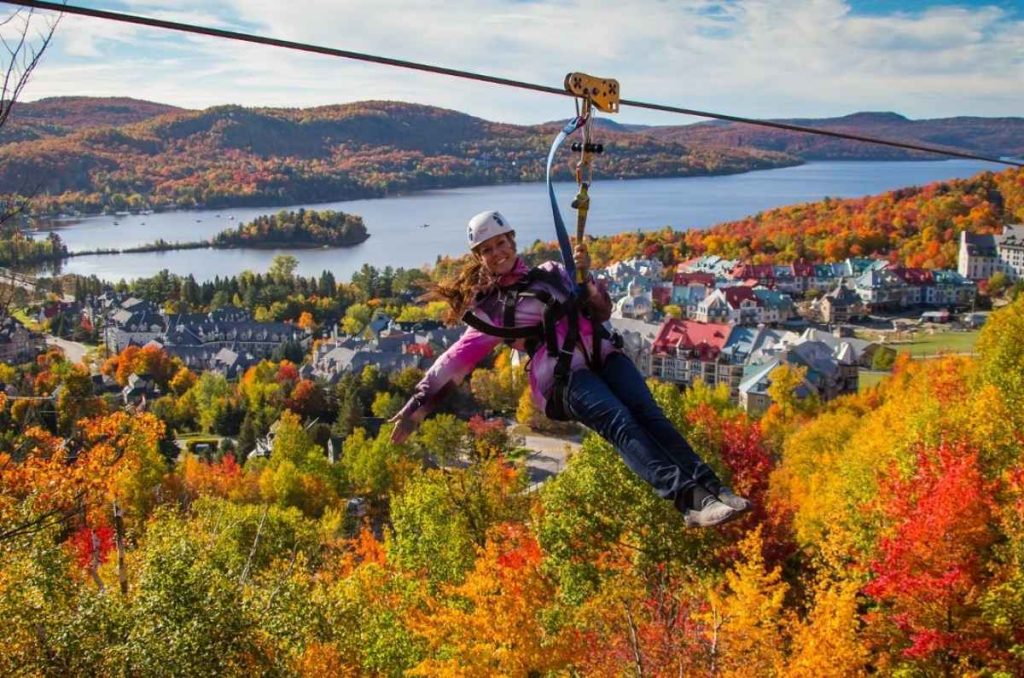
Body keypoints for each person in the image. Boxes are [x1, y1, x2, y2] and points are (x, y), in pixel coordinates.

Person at [389, 210, 750, 527]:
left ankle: (714, 488)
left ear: (513, 241)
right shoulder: (492, 309)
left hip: (602, 353)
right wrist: (417, 407)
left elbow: (602, 311)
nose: (497, 253)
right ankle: (690, 501)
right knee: (619, 422)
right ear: (479, 258)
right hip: (563, 377)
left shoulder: (553, 272)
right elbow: (456, 358)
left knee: (650, 416)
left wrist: (585, 279)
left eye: (501, 243)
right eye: (487, 249)